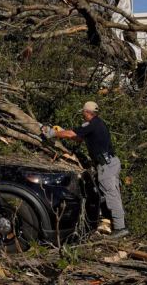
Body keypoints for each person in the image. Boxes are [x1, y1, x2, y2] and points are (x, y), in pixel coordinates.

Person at [42, 101, 128, 239]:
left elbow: (71, 134)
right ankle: (112, 224)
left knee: (112, 195)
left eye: (83, 112)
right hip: (107, 164)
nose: (82, 114)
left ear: (87, 112)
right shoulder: (96, 124)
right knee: (107, 194)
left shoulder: (92, 124)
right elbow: (77, 137)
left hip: (107, 165)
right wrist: (59, 132)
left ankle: (120, 228)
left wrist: (52, 133)